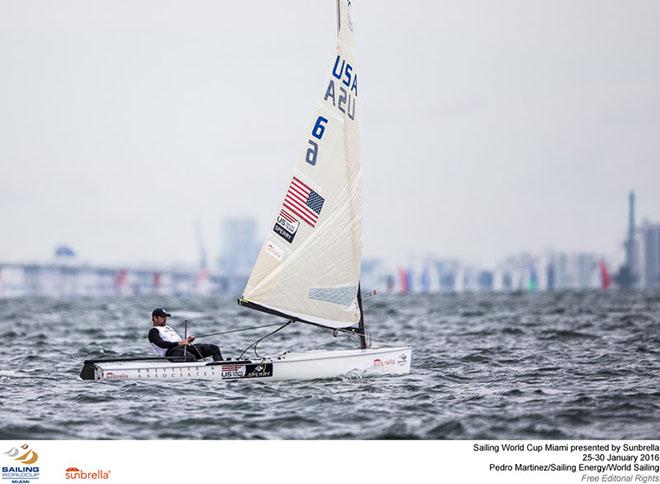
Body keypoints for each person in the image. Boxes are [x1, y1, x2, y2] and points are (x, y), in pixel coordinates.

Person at [147, 308, 223, 362]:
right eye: (162, 317)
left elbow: (179, 341)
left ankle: (221, 367)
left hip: (184, 348)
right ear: (155, 318)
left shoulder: (168, 327)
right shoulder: (153, 331)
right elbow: (162, 344)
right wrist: (179, 343)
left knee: (213, 348)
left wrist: (187, 341)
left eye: (165, 317)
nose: (165, 319)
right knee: (191, 358)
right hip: (171, 353)